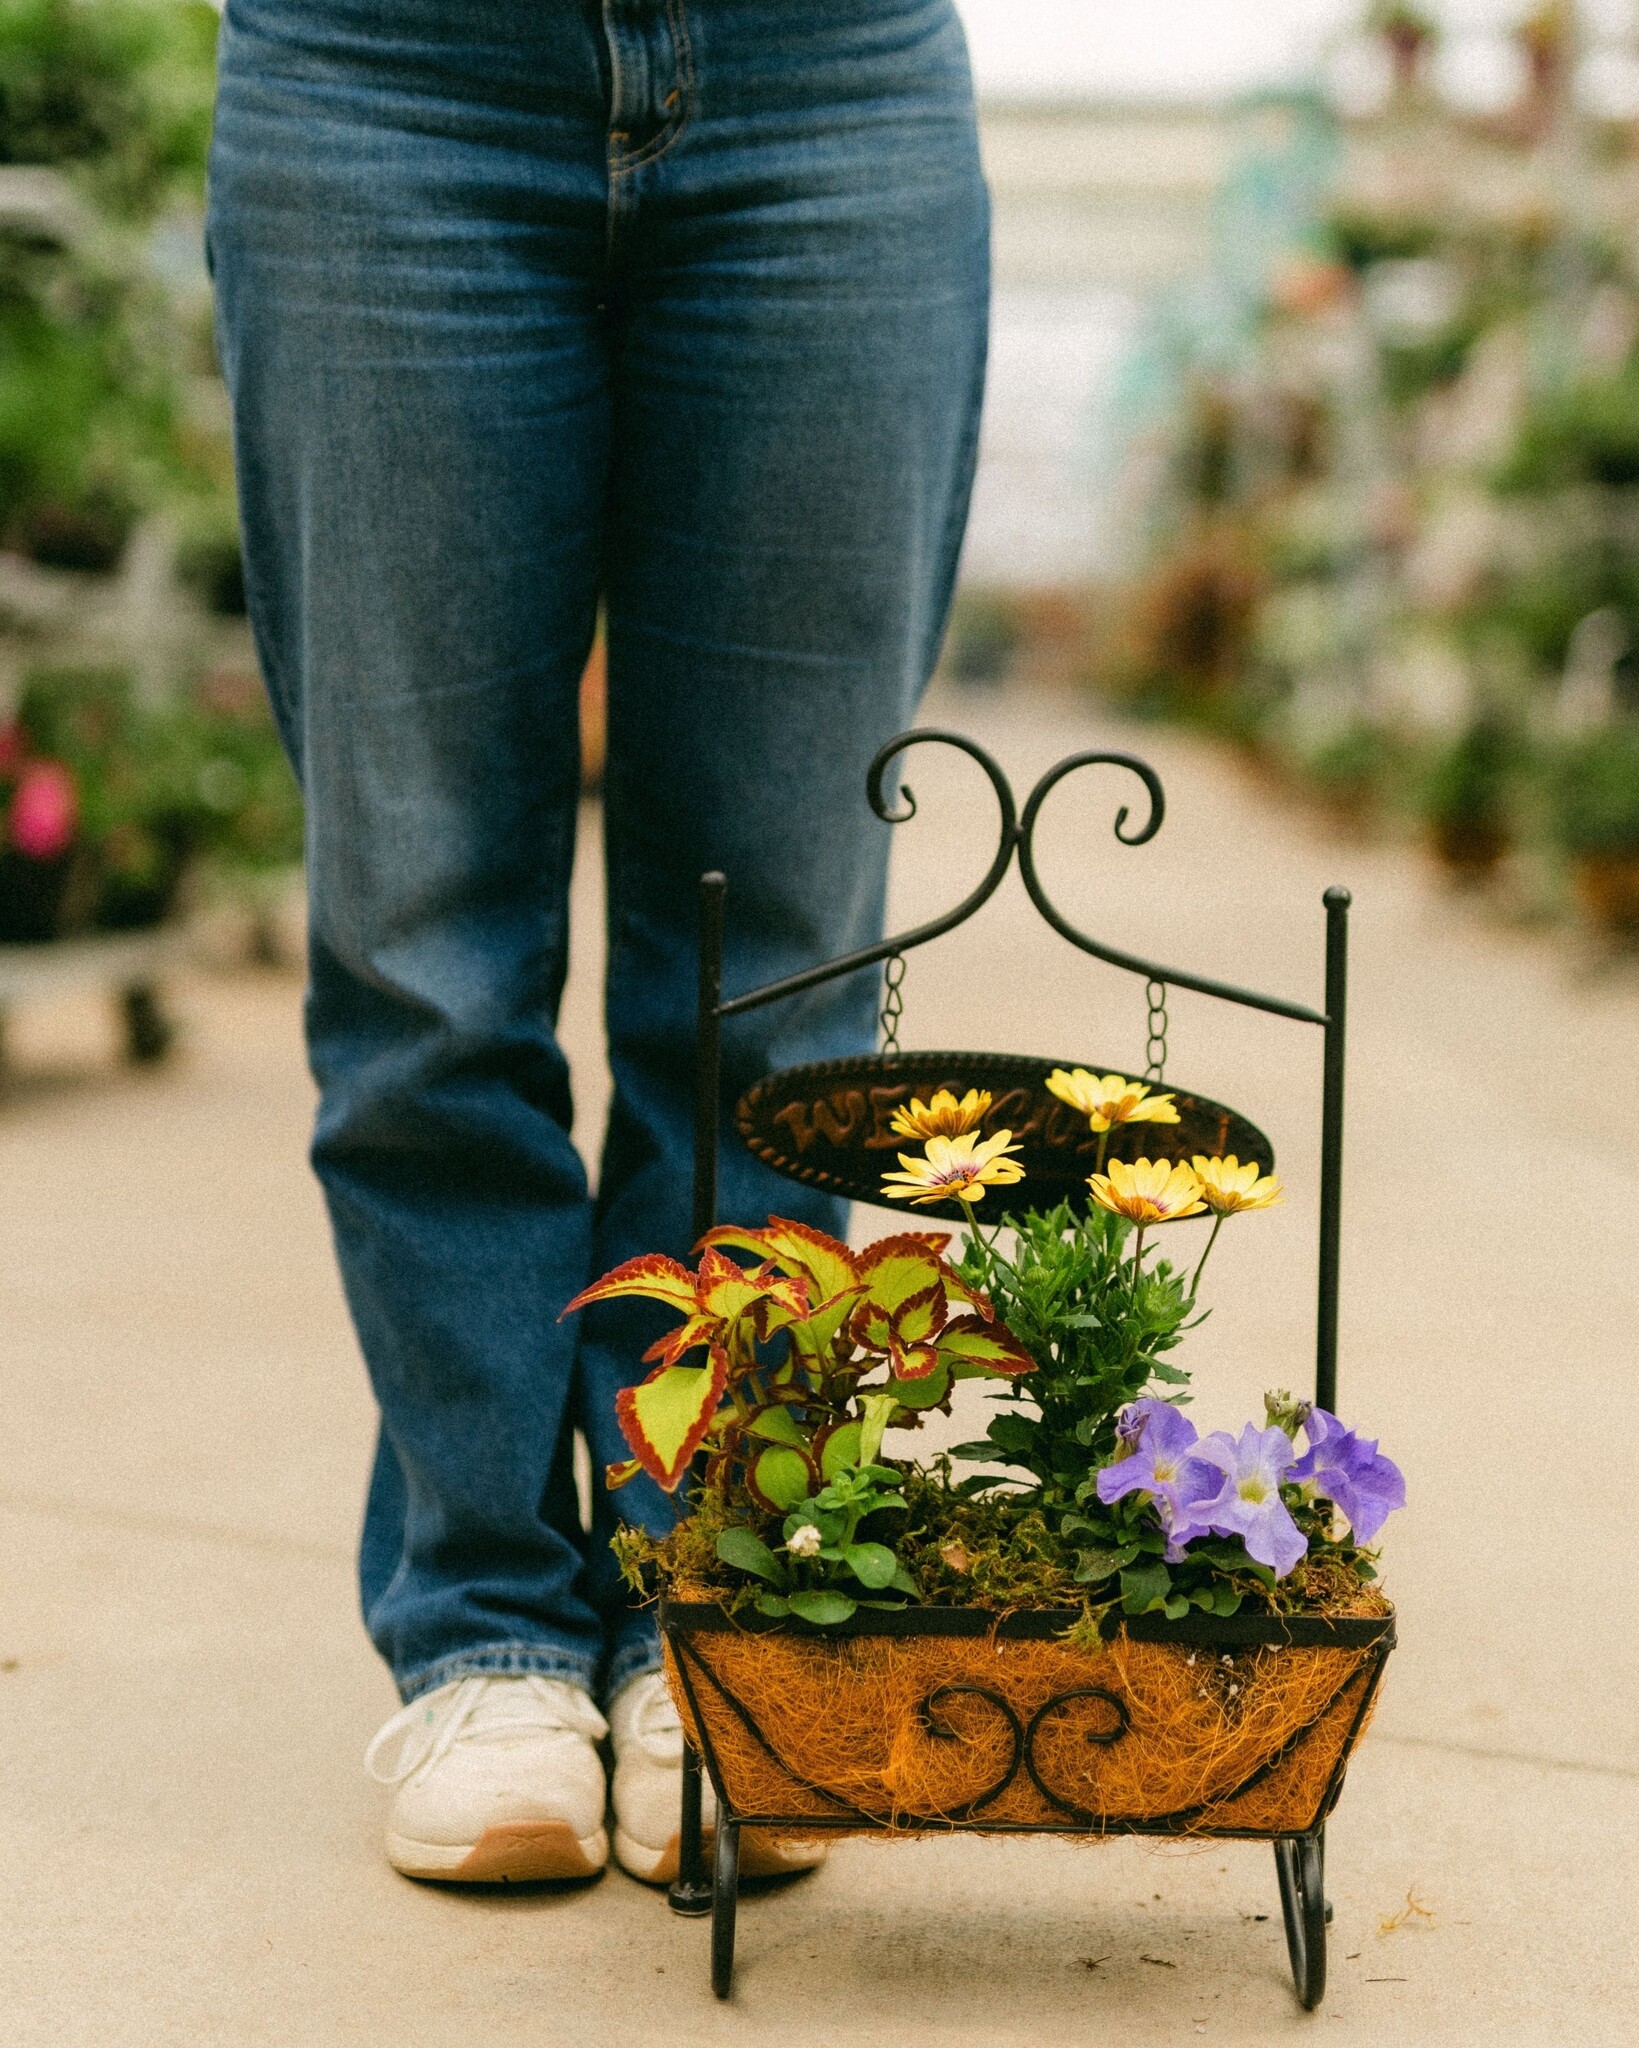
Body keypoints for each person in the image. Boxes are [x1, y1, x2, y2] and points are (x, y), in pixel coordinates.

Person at [207, 0, 989, 1884]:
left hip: (831, 81)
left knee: (777, 972)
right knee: (422, 945)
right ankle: (486, 1622)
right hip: (386, 81)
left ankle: (703, 1594)